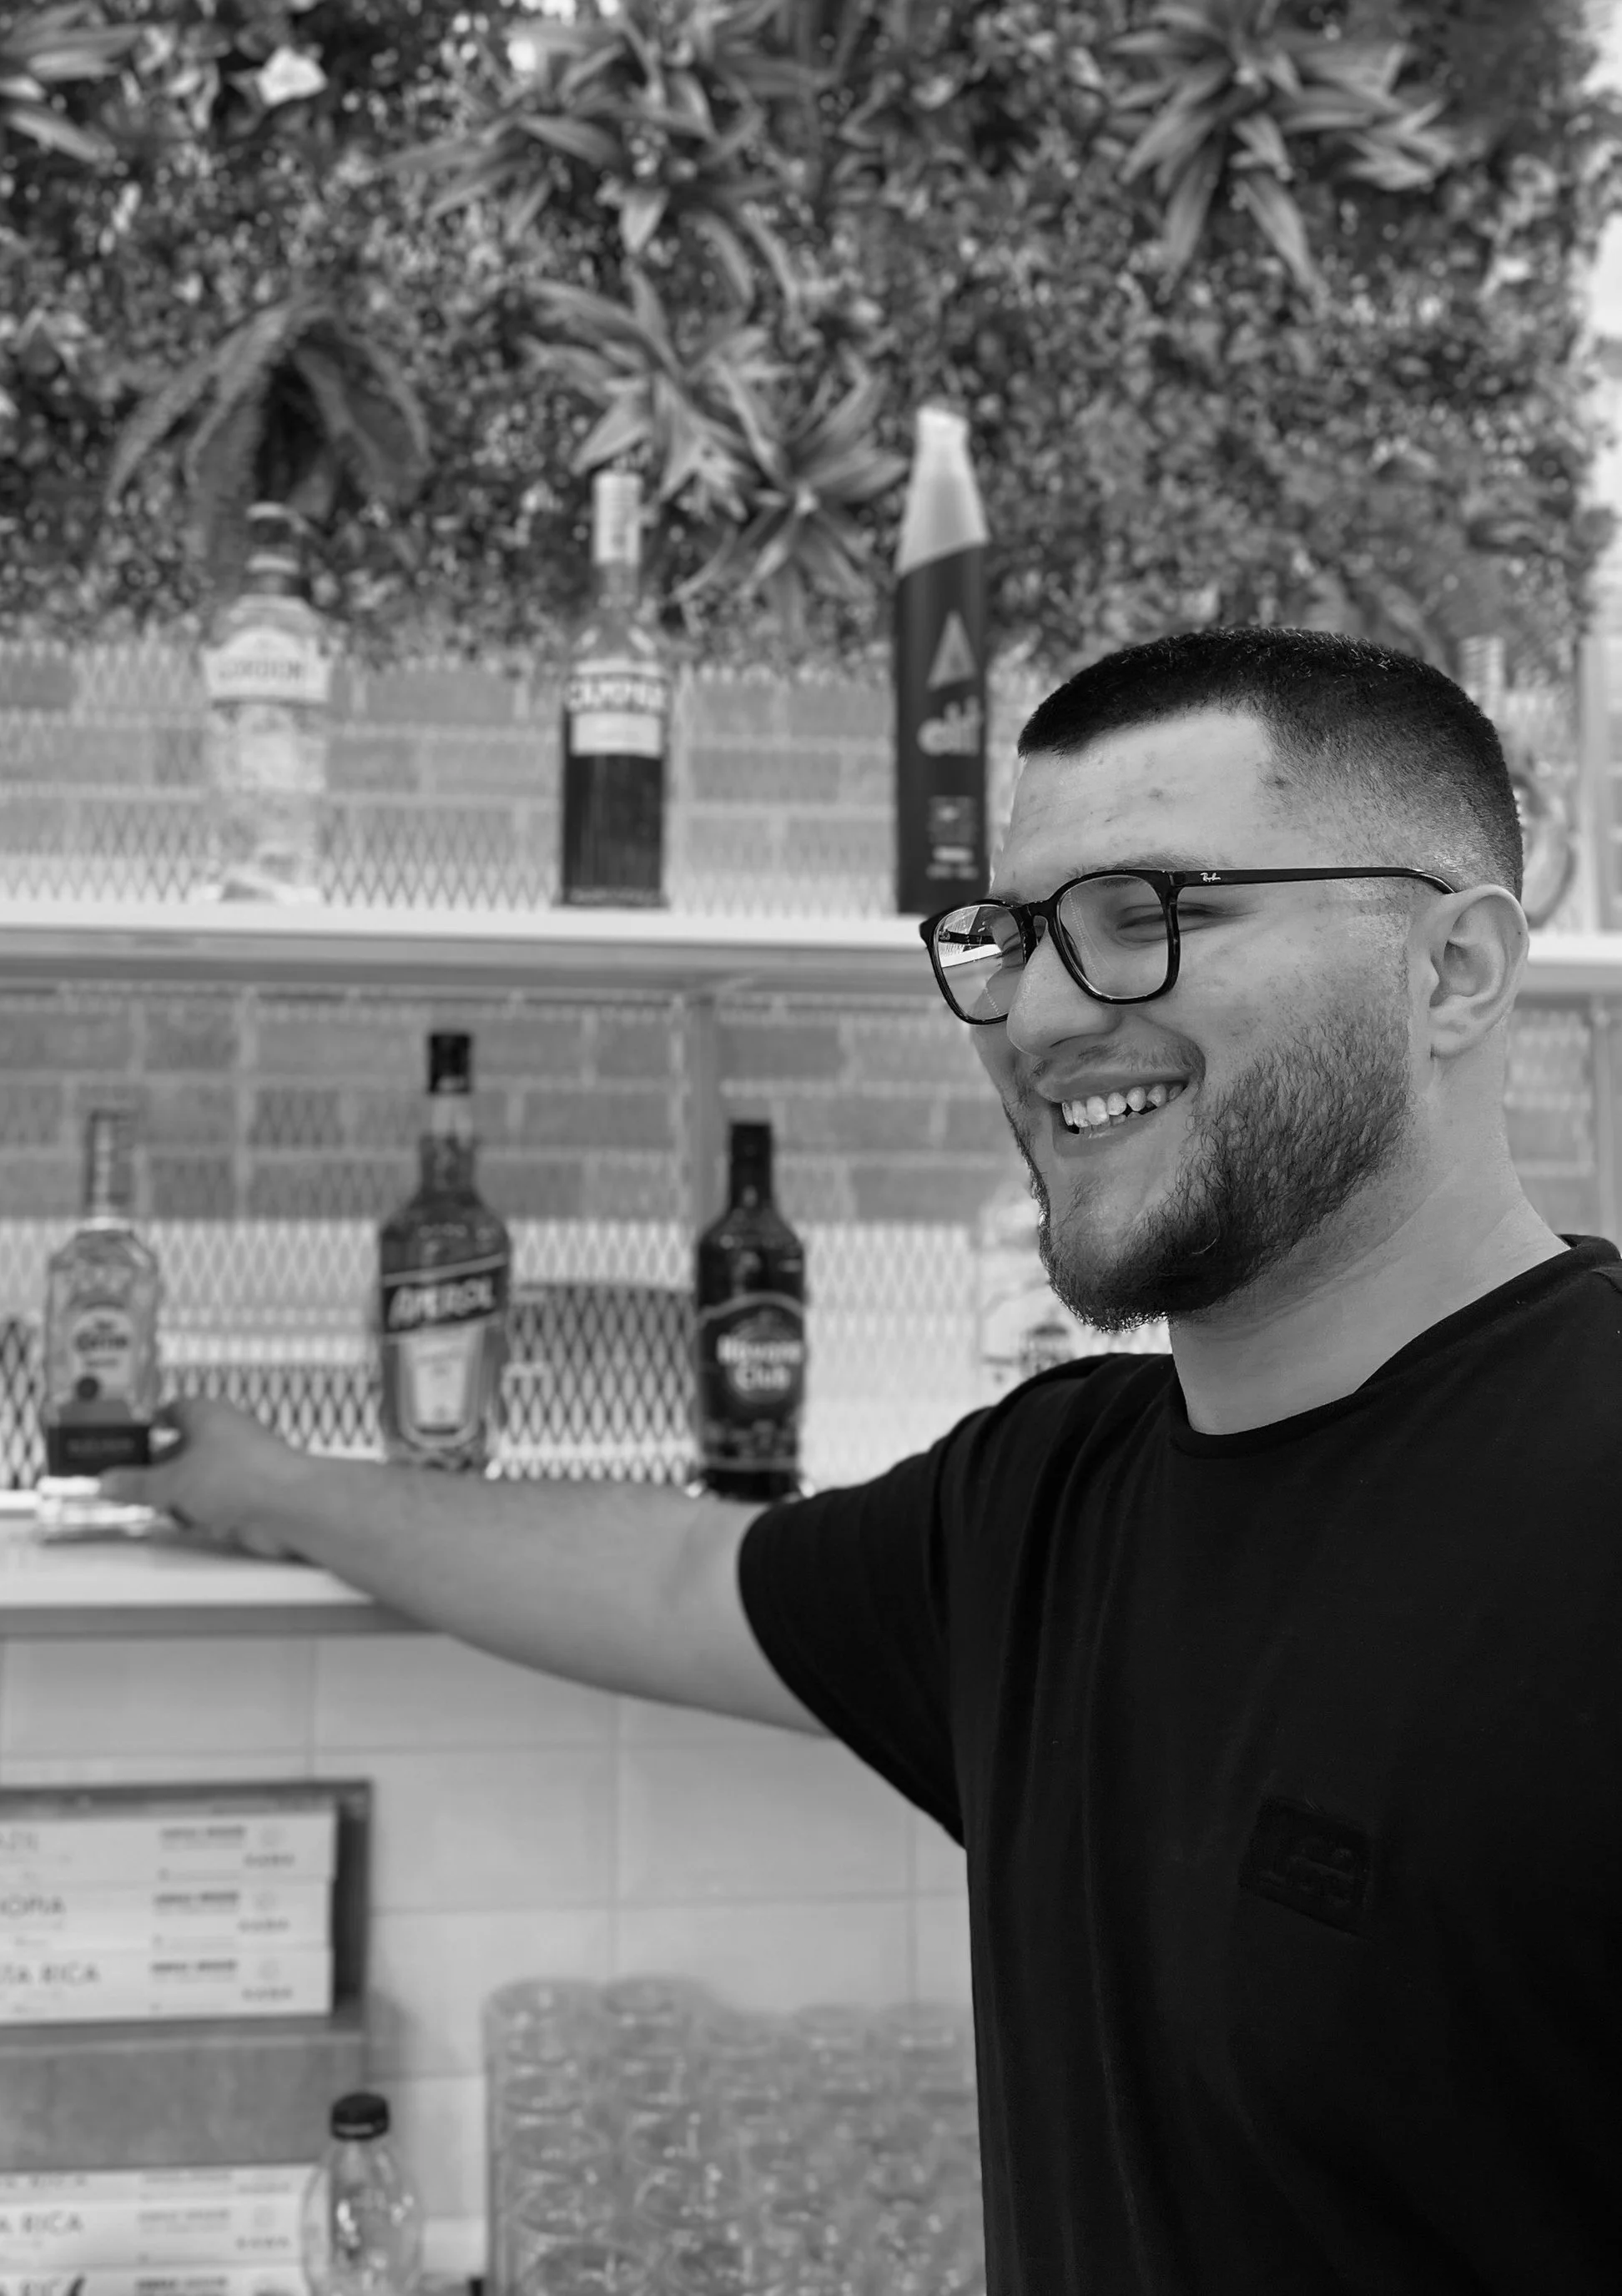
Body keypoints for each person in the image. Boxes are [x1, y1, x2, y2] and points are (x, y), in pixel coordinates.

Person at [105, 625, 1622, 2295]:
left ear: (1452, 972)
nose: (1035, 1016)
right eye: (1010, 936)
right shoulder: (1046, 1501)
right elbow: (680, 1581)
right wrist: (278, 1486)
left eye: (1147, 916)